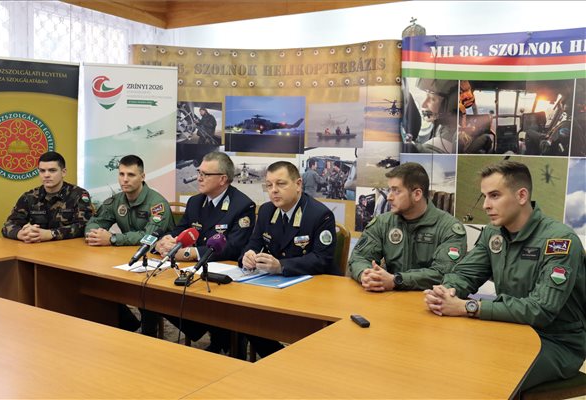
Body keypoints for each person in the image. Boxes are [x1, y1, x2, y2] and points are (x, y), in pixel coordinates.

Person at [424, 161, 585, 391]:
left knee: (485, 374)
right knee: (444, 353)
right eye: (485, 197)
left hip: (555, 342)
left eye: (495, 196)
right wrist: (446, 291)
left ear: (521, 196)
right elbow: (464, 274)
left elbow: (541, 310)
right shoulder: (493, 234)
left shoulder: (559, 241)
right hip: (509, 329)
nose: (486, 205)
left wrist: (469, 307)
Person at [153, 151, 256, 353]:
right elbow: (179, 230)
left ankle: (227, 340)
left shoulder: (242, 205)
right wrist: (165, 241)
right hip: (194, 271)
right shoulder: (195, 202)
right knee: (160, 296)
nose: (198, 178)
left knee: (207, 305)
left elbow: (233, 247)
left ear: (222, 179)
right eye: (199, 172)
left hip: (224, 275)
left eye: (204, 174)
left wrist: (190, 253)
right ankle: (208, 331)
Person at [241, 161, 337, 357]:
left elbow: (322, 259)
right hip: (274, 287)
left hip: (310, 290)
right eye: (269, 185)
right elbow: (253, 243)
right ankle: (274, 357)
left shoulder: (320, 215)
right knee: (244, 316)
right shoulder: (266, 211)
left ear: (298, 184)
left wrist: (281, 266)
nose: (274, 191)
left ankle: (291, 361)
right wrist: (248, 256)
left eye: (281, 184)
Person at [85, 155, 175, 333]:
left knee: (145, 294)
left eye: (131, 175)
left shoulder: (157, 204)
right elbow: (93, 223)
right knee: (100, 284)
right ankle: (126, 325)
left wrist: (112, 239)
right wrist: (95, 234)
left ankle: (148, 335)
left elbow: (149, 238)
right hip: (128, 259)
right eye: (121, 174)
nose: (125, 179)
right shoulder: (117, 200)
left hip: (159, 263)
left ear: (142, 176)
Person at [348, 162, 467, 291]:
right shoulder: (383, 222)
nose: (389, 197)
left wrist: (397, 280)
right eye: (389, 190)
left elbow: (443, 273)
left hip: (429, 298)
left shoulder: (449, 228)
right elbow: (359, 257)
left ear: (417, 194)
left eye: (396, 191)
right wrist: (366, 274)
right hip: (389, 297)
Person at [2, 151, 93, 242]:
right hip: (37, 247)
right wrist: (20, 234)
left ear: (63, 172)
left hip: (68, 248)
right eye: (42, 171)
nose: (46, 175)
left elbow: (84, 226)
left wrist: (51, 234)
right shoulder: (29, 197)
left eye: (52, 170)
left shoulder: (78, 194)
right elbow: (8, 225)